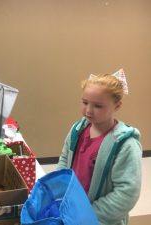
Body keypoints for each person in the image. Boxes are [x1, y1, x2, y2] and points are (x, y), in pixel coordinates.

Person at [57, 70, 142, 225]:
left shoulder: (125, 145)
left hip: (99, 219)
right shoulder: (78, 130)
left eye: (98, 106)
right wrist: (59, 189)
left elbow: (127, 192)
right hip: (72, 210)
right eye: (84, 102)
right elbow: (64, 159)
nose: (88, 110)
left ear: (117, 106)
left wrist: (89, 214)